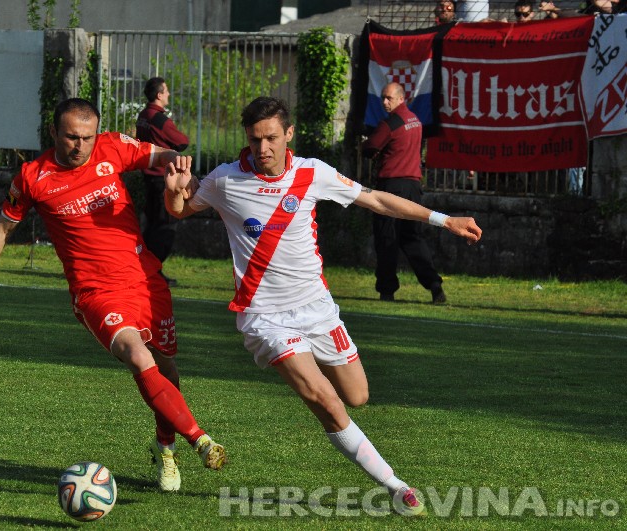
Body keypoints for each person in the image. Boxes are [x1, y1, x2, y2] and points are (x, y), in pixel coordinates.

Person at [164, 96, 482, 516]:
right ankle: (396, 486)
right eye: (256, 139)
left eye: (272, 138)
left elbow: (378, 200)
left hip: (317, 309)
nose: (263, 149)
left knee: (357, 395)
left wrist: (444, 220)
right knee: (327, 402)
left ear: (288, 134)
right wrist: (172, 194)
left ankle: (331, 409)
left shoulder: (313, 173)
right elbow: (182, 210)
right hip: (264, 316)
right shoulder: (225, 180)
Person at [0, 98, 225, 493]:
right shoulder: (33, 177)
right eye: (71, 137)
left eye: (86, 137)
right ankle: (201, 440)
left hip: (145, 279)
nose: (79, 146)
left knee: (166, 368)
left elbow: (158, 152)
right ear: (54, 133)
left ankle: (164, 446)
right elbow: (2, 226)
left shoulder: (111, 147)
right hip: (94, 290)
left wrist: (176, 162)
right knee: (137, 354)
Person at [362, 83, 448, 304]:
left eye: (389, 98)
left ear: (401, 98)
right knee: (412, 238)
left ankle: (387, 290)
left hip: (392, 186)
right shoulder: (416, 122)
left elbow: (370, 148)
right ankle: (434, 284)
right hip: (413, 187)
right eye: (383, 97)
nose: (384, 102)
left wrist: (366, 145)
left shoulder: (391, 123)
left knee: (387, 237)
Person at [136, 77, 189, 287]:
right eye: (166, 91)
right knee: (165, 227)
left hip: (148, 177)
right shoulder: (158, 118)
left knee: (151, 225)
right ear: (159, 95)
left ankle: (145, 269)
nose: (168, 95)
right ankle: (152, 271)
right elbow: (182, 141)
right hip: (161, 178)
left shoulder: (143, 115)